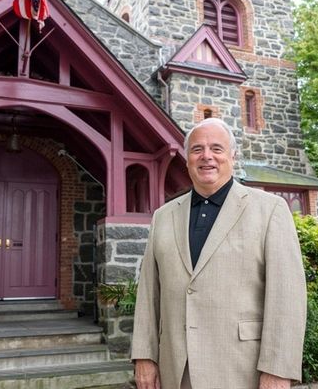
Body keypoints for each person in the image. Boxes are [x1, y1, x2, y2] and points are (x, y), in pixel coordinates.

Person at [131, 118, 307, 389]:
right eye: (197, 149)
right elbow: (148, 293)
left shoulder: (270, 210)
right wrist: (144, 356)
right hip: (175, 371)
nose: (207, 156)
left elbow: (287, 297)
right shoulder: (163, 217)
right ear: (187, 158)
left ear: (232, 156)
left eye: (217, 148)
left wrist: (278, 371)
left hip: (241, 371)